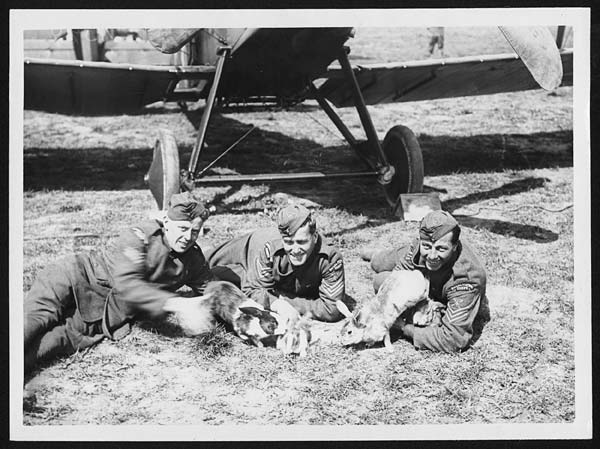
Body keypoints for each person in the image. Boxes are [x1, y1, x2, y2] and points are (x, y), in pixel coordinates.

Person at [24, 192, 215, 373]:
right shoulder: (140, 236)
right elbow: (129, 285)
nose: (188, 237)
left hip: (100, 315)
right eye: (182, 228)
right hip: (74, 276)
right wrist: (178, 304)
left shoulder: (193, 259)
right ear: (166, 221)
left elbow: (212, 287)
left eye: (195, 231)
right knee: (36, 319)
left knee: (52, 343)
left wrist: (237, 309)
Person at [364, 210, 488, 353]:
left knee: (382, 280)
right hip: (422, 282)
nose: (432, 256)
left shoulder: (467, 279)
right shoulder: (421, 246)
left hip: (439, 293)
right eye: (427, 246)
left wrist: (405, 328)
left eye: (441, 249)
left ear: (454, 247)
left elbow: (453, 339)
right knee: (381, 267)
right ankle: (375, 254)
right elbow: (396, 279)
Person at [207, 204, 345, 322]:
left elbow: (331, 309)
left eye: (302, 242)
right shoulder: (269, 248)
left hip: (274, 280)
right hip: (253, 244)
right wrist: (277, 304)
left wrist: (280, 298)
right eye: (289, 242)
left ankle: (248, 275)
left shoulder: (329, 257)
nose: (295, 250)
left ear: (314, 237)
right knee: (205, 267)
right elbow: (253, 290)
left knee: (234, 278)